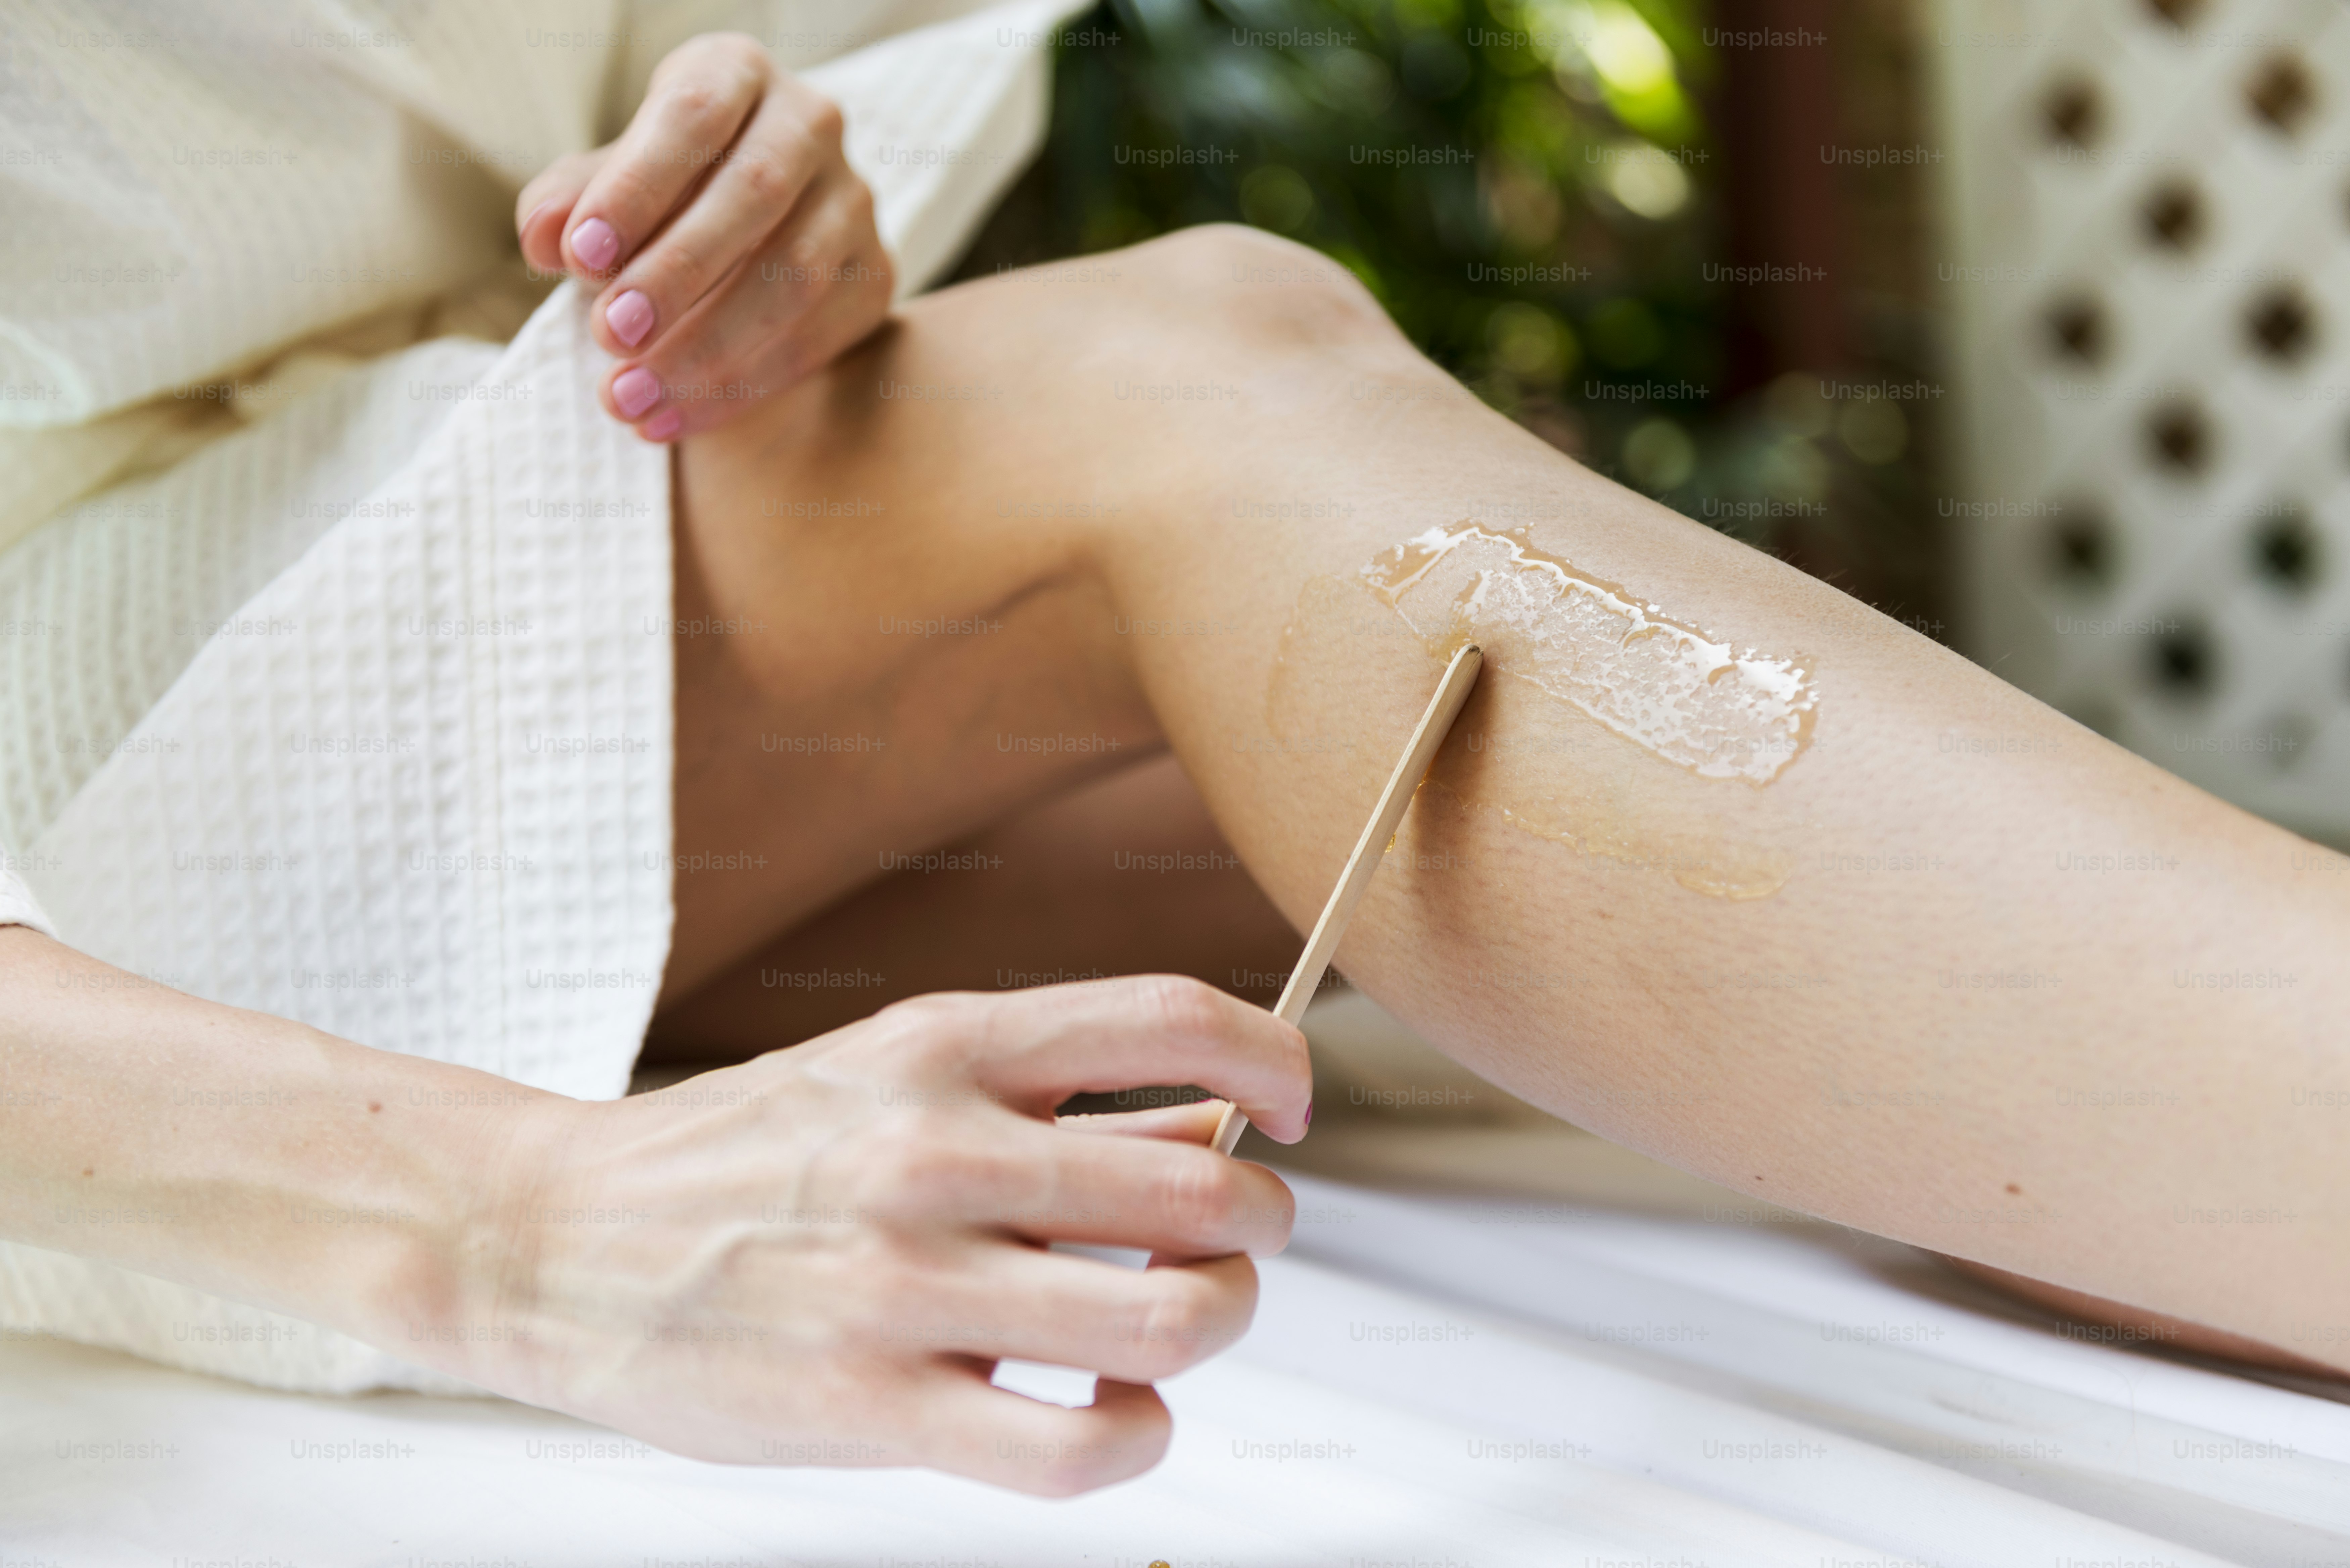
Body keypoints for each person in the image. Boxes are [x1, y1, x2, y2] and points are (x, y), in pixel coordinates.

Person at [3, 6, 2344, 1501]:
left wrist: (764, 187)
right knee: (1195, 384)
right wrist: (499, 1220)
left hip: (388, 503)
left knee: (1420, 813)